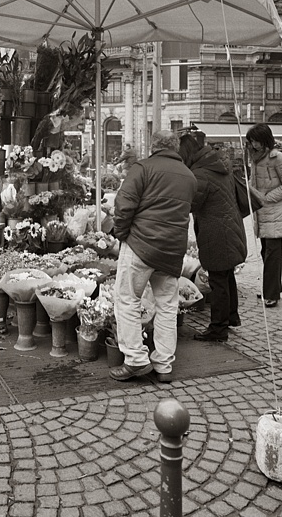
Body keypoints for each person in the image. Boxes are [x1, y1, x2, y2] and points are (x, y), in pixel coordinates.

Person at [109, 130, 197, 383]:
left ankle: (135, 360)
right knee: (168, 305)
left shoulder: (143, 168)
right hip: (172, 249)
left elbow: (123, 204)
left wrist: (122, 233)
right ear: (175, 148)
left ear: (153, 146)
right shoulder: (189, 176)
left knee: (126, 299)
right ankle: (164, 365)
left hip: (141, 244)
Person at [178, 133, 246, 342]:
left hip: (217, 232)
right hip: (230, 227)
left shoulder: (201, 174)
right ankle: (231, 317)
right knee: (226, 276)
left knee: (218, 280)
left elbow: (192, 204)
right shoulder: (216, 165)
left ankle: (218, 329)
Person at [245, 123, 282, 309]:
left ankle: (271, 293)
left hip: (275, 212)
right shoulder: (255, 157)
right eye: (251, 141)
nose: (253, 144)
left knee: (272, 254)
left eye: (255, 141)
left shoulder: (278, 158)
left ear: (264, 139)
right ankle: (272, 287)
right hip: (261, 211)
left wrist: (267, 198)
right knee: (266, 252)